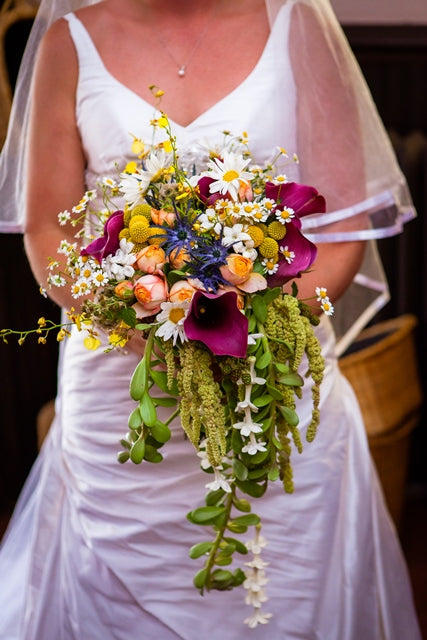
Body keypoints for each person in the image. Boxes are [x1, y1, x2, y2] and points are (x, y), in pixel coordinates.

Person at [0, 0, 421, 638]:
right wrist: (150, 321)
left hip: (273, 390)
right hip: (122, 392)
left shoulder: (296, 26)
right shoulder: (69, 42)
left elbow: (340, 234)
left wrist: (247, 320)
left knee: (283, 594)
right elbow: (49, 234)